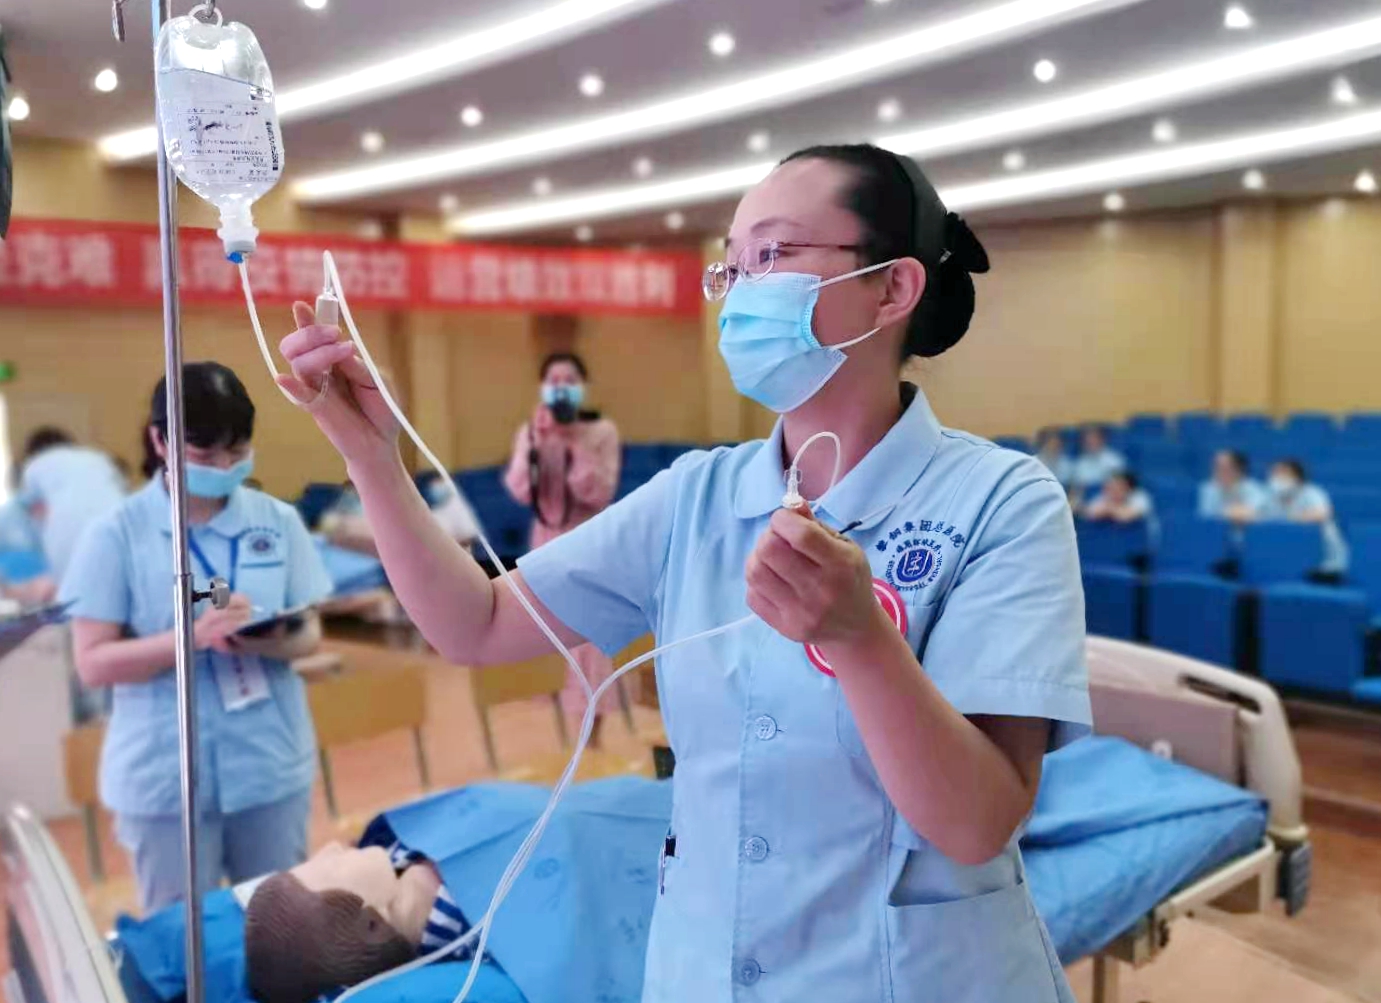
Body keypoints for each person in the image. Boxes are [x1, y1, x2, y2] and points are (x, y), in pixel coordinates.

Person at [279, 142, 1089, 1001]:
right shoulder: (696, 498)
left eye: (771, 254)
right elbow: (473, 622)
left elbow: (976, 823)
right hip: (703, 969)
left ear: (891, 287)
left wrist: (860, 641)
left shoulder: (1000, 502)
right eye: (729, 267)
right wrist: (372, 458)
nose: (740, 292)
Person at [59, 362, 334, 912]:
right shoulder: (115, 536)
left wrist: (267, 640)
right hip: (166, 778)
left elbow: (310, 634)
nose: (224, 467)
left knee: (279, 926)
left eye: (237, 452)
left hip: (268, 764)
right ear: (160, 441)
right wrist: (190, 639)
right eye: (205, 456)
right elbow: (92, 663)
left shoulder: (278, 522)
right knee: (184, 936)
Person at [502, 352, 622, 743]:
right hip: (545, 544)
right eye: (553, 381)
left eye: (569, 380)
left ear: (583, 387)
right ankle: (559, 739)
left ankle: (593, 738)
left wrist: (571, 441)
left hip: (587, 546)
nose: (561, 388)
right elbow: (520, 489)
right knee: (547, 637)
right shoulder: (532, 432)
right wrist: (541, 442)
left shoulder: (601, 432)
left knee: (588, 643)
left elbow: (598, 490)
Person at [18, 426, 127, 587]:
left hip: (68, 551)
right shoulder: (97, 459)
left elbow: (31, 518)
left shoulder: (33, 468)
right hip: (120, 535)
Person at [1261, 459, 1349, 577]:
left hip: (1322, 558)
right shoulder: (1270, 496)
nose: (1276, 478)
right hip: (1286, 554)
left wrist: (1289, 519)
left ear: (1297, 477)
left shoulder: (1312, 492)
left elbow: (1323, 513)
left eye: (1282, 474)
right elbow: (1256, 515)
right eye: (1274, 473)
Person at [1198, 449, 1265, 525]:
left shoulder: (1254, 489)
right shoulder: (1208, 489)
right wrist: (1232, 512)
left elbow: (1254, 514)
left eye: (1223, 467)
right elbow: (1207, 517)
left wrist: (1233, 512)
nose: (1217, 471)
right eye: (1215, 467)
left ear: (1239, 469)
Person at [1069, 425, 1125, 496]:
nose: (1091, 443)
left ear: (1102, 440)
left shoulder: (1115, 460)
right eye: (1087, 441)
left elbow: (1121, 487)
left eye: (1094, 439)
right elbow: (1076, 490)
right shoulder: (1080, 463)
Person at [1080, 471, 1154, 525]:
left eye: (1118, 487)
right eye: (1110, 487)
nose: (1112, 490)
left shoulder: (1140, 497)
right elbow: (1089, 513)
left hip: (1143, 539)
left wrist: (1108, 509)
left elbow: (1126, 517)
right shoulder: (1104, 496)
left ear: (1127, 488)